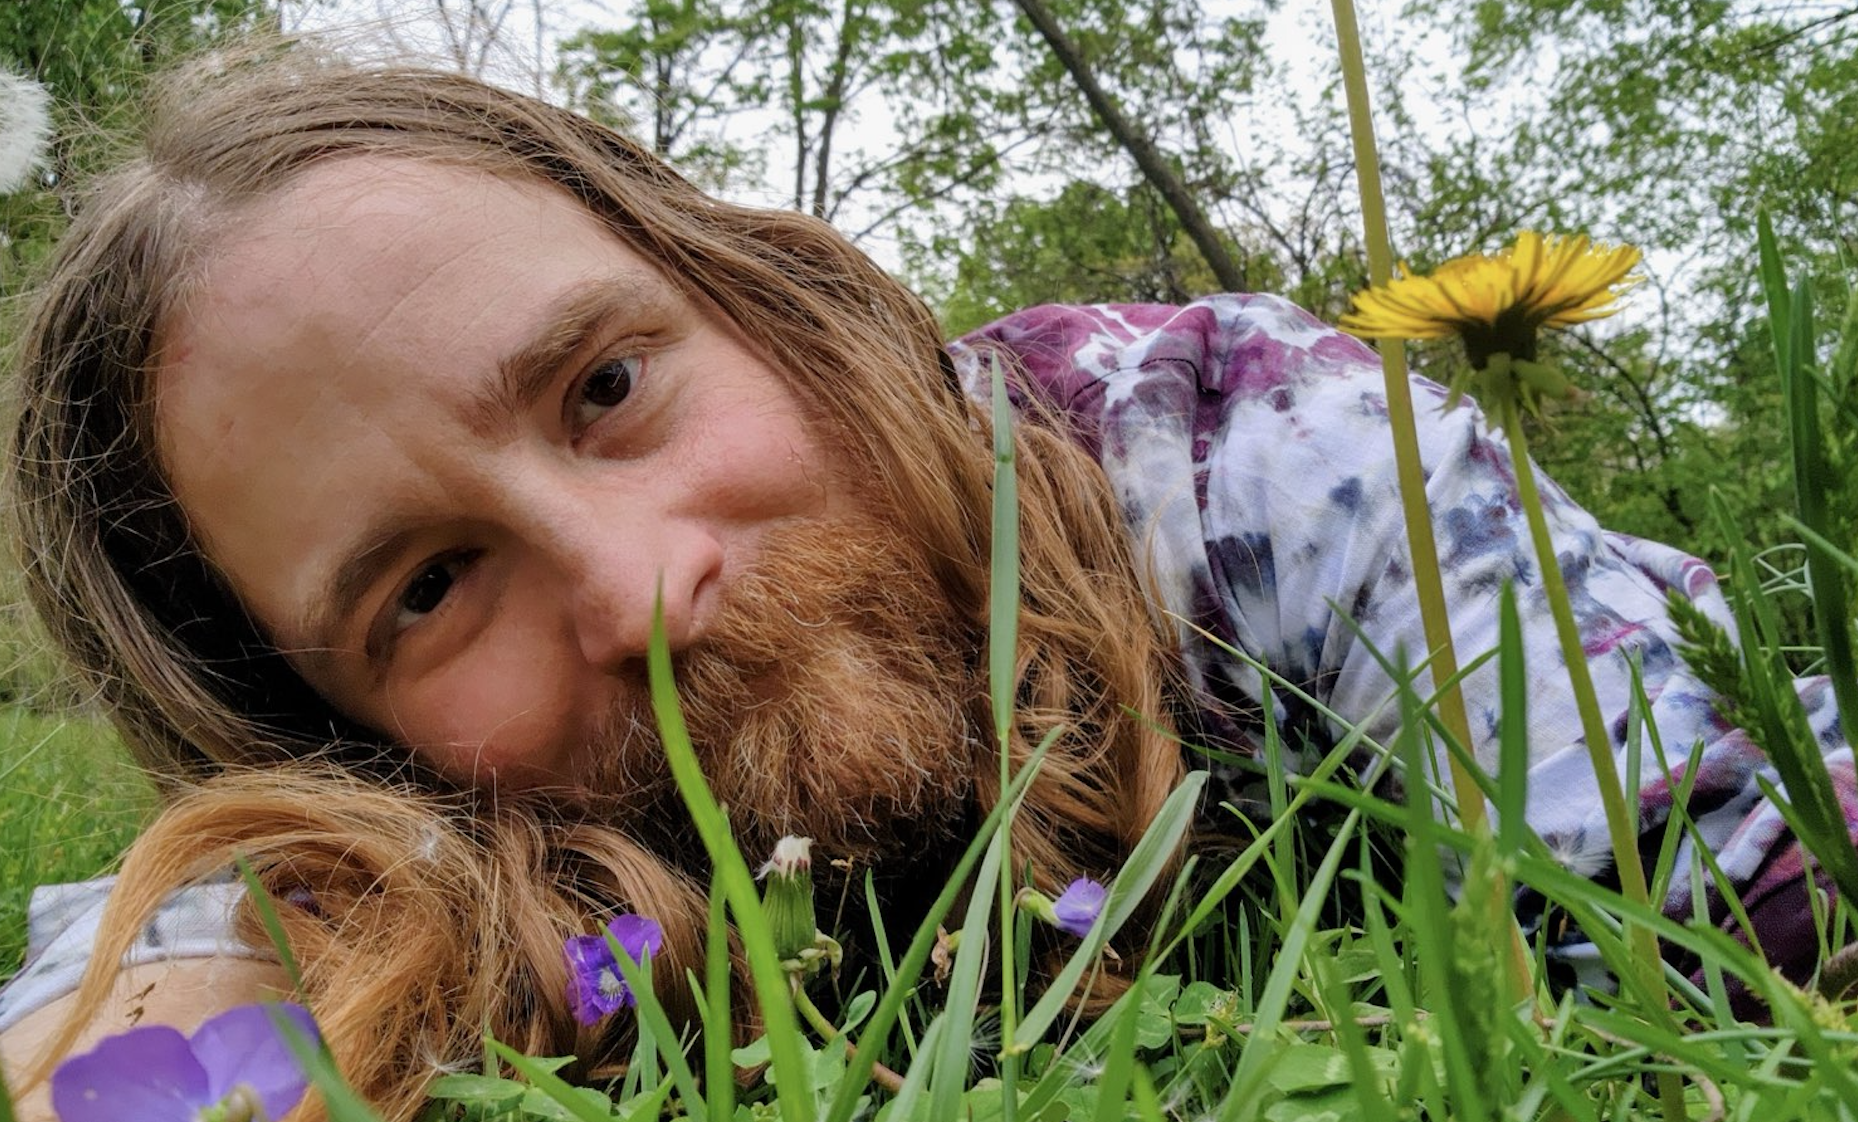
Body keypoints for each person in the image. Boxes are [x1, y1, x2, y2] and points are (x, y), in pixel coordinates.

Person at [0, 45, 1846, 1122]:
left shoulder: (1228, 457)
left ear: (768, 298)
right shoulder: (437, 831)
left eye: (610, 387)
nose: (639, 593)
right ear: (334, 731)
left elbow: (1761, 932)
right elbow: (167, 962)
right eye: (423, 590)